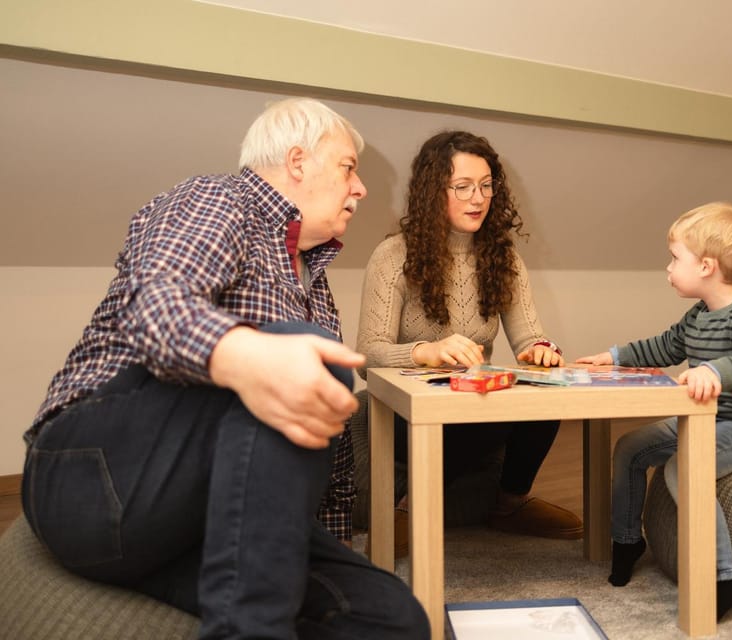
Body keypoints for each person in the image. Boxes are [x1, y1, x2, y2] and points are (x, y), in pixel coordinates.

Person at [21, 98, 429, 639]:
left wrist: (324, 547)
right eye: (349, 168)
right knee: (305, 355)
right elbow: (154, 305)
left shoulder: (314, 284)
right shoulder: (221, 200)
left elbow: (312, 453)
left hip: (193, 516)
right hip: (91, 475)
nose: (361, 189)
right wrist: (251, 357)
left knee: (392, 617)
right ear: (298, 161)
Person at [355, 130, 583, 550]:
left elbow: (529, 336)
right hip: (404, 411)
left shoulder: (504, 258)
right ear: (432, 191)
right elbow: (368, 355)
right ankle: (409, 507)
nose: (477, 199)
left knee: (545, 393)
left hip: (472, 407)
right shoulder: (393, 256)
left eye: (486, 186)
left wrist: (540, 351)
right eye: (462, 187)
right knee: (474, 413)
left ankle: (510, 504)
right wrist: (426, 351)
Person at [576, 202, 732, 621]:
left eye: (675, 258)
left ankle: (724, 575)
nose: (668, 267)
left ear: (707, 267)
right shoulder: (699, 314)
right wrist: (614, 356)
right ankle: (627, 541)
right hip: (707, 418)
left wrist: (715, 371)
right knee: (630, 448)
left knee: (683, 467)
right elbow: (667, 345)